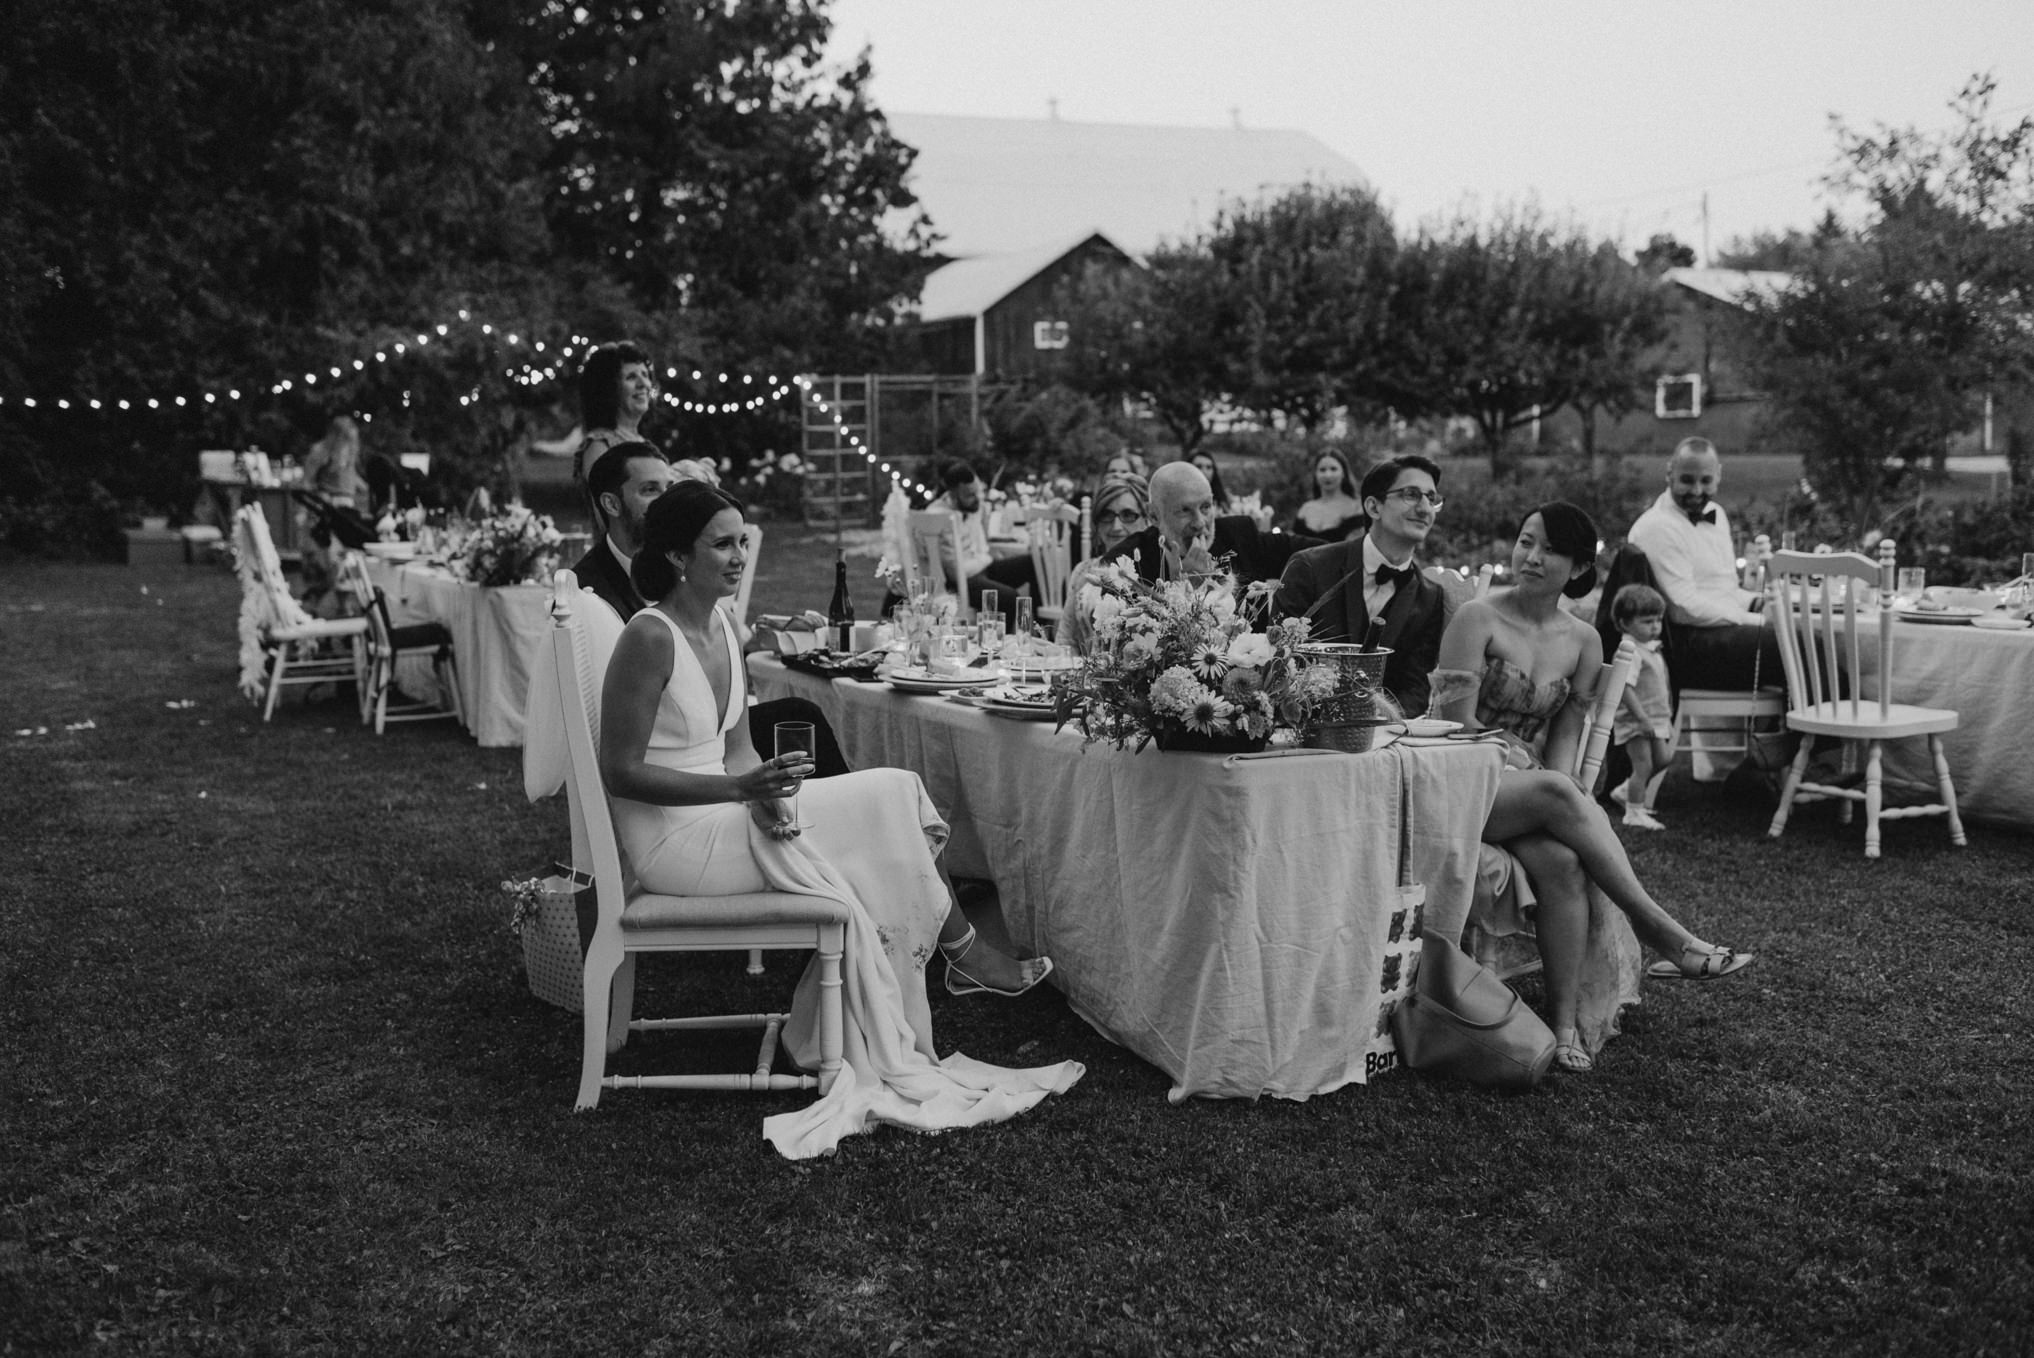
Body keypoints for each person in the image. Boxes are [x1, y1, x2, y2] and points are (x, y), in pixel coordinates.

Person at [599, 483, 1078, 1156]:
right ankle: (964, 951)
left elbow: (738, 749)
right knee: (888, 800)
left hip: (731, 809)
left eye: (743, 541)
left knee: (891, 795)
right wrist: (741, 790)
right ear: (679, 555)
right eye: (722, 545)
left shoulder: (727, 629)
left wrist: (765, 792)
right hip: (675, 841)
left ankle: (958, 954)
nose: (739, 557)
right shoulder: (649, 636)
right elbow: (618, 772)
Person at [1434, 502, 1755, 1073]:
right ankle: (1663, 933)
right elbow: (1456, 729)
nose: (1531, 557)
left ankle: (1562, 1026)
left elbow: (1563, 745)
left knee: (1562, 860)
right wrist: (1544, 783)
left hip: (1528, 794)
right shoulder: (1476, 619)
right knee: (1561, 794)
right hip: (1460, 778)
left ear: (1579, 566)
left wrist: (1549, 786)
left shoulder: (1584, 640)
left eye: (1550, 549)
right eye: (1526, 541)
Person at [573, 442, 852, 780]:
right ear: (611, 503)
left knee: (881, 786)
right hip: (664, 748)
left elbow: (738, 744)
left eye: (669, 488)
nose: (662, 499)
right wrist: (740, 790)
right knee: (799, 716)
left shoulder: (716, 608)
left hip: (715, 747)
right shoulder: (593, 591)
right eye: (650, 490)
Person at [1272, 454, 1448, 718]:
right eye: (1411, 495)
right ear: (1373, 507)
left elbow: (1416, 688)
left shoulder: (1430, 597)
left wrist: (1378, 719)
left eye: (1431, 498)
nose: (1425, 508)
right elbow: (1279, 660)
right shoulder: (1310, 567)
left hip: (1381, 740)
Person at [1626, 436, 1782, 691]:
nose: (1697, 491)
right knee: (1804, 649)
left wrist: (1758, 603)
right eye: (1687, 480)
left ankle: (1786, 728)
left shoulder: (1717, 515)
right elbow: (1683, 608)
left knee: (1806, 645)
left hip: (1717, 632)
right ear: (1670, 473)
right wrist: (1753, 620)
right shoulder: (1657, 527)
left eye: (1705, 481)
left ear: (1718, 476)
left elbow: (1723, 588)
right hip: (1689, 646)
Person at [1096, 462, 1317, 591]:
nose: (1200, 522)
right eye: (1184, 510)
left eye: (1205, 507)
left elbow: (1316, 556)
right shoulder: (1125, 565)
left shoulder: (1240, 534)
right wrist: (1184, 586)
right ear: (1154, 515)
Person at [926, 459, 1036, 621]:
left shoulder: (970, 508)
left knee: (1032, 563)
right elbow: (956, 571)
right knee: (1011, 598)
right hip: (962, 581)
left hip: (981, 568)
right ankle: (1002, 643)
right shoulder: (938, 516)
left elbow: (981, 547)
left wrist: (985, 556)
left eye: (976, 492)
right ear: (953, 494)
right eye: (969, 495)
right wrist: (985, 558)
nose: (976, 498)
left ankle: (1043, 630)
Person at [1056, 472, 1150, 650]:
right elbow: (1065, 640)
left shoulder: (1154, 576)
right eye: (1106, 515)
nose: (1116, 526)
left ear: (1147, 519)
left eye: (1128, 515)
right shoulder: (1084, 571)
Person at [1608, 584, 1674, 831]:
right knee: (1643, 764)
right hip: (1637, 718)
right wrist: (1641, 717)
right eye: (1647, 621)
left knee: (1663, 758)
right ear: (1625, 623)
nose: (1655, 626)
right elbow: (1624, 687)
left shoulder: (1649, 647)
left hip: (1655, 716)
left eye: (1658, 620)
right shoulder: (1631, 650)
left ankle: (1625, 791)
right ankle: (1633, 812)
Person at [571, 340, 659, 501]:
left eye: (645, 375)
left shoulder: (641, 441)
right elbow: (607, 511)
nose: (644, 384)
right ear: (609, 390)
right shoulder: (600, 446)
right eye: (631, 377)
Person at [1290, 449, 1363, 541]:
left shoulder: (1356, 508)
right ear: (1315, 474)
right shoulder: (1305, 509)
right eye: (1322, 470)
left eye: (1333, 469)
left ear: (1343, 473)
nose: (1328, 475)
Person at [301, 415, 366, 507]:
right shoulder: (322, 452)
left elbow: (349, 475)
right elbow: (306, 481)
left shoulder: (349, 453)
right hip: (329, 501)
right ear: (335, 436)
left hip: (347, 501)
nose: (348, 444)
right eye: (345, 439)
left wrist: (366, 488)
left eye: (351, 440)